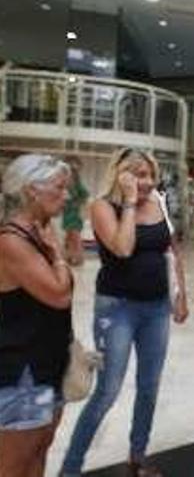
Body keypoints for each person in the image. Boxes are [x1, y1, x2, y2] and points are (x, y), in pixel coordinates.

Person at [61, 148, 188, 477]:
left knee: (149, 386)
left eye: (148, 174)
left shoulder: (159, 201)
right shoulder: (102, 206)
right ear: (119, 174)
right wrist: (130, 201)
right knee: (107, 391)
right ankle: (70, 468)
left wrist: (181, 294)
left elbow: (171, 250)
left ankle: (138, 455)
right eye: (135, 174)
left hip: (157, 308)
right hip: (117, 309)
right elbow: (123, 247)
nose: (144, 181)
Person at [0, 154, 74, 477]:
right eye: (60, 188)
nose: (67, 195)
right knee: (15, 463)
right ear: (32, 190)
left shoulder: (37, 234)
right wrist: (57, 253)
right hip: (22, 374)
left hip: (47, 366)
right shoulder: (11, 242)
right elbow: (60, 294)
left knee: (39, 453)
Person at [62, 156, 89, 266]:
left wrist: (78, 204)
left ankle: (79, 259)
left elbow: (85, 195)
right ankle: (69, 257)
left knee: (75, 237)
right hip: (66, 213)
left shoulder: (77, 182)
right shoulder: (66, 182)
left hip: (74, 213)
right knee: (69, 237)